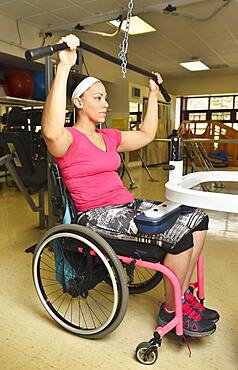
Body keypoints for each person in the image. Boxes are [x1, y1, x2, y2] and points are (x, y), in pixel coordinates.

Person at [42, 34, 219, 338]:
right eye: (98, 97)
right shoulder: (68, 137)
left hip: (126, 206)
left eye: (105, 98)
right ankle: (171, 311)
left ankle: (180, 298)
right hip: (97, 216)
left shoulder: (108, 136)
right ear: (78, 101)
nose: (106, 103)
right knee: (177, 235)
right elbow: (50, 130)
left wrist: (152, 93)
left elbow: (146, 134)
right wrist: (64, 67)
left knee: (197, 218)